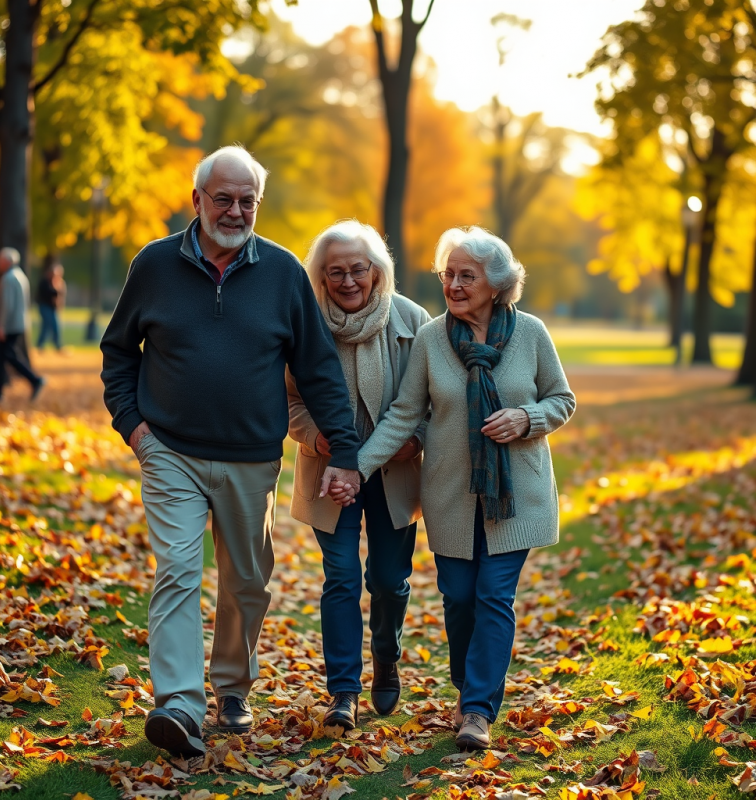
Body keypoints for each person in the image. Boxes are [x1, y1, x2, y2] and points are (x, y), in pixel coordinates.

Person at [100, 145, 362, 760]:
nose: (237, 211)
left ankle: (232, 688)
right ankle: (180, 707)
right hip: (170, 451)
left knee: (247, 582)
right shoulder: (155, 266)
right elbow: (119, 353)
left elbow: (319, 369)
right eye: (225, 199)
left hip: (251, 458)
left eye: (248, 201)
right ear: (197, 201)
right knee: (178, 572)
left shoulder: (283, 272)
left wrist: (345, 450)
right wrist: (136, 430)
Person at [330, 226, 575, 750]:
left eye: (468, 275)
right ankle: (468, 688)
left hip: (517, 495)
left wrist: (527, 418)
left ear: (497, 283)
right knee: (460, 597)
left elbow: (561, 399)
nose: (455, 285)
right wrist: (357, 467)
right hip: (451, 495)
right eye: (449, 274)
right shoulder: (431, 337)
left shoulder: (530, 334)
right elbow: (403, 414)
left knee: (493, 595)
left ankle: (479, 710)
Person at [287, 220, 431, 731]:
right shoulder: (306, 324)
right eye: (335, 273)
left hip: (394, 472)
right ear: (321, 279)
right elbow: (289, 401)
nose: (348, 281)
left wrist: (416, 441)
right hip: (332, 475)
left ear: (377, 272)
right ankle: (343, 690)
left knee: (389, 581)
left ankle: (387, 659)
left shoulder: (413, 320)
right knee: (342, 578)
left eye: (358, 270)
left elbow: (437, 401)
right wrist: (316, 438)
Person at [0, 248, 45, 402]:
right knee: (3, 357)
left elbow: (7, 305)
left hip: (9, 325)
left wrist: (1, 326)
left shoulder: (8, 278)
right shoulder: (21, 276)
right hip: (17, 323)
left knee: (8, 356)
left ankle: (34, 380)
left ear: (6, 261)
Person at [37, 262, 66, 351]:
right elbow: (50, 293)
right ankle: (42, 344)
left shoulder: (59, 282)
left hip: (53, 308)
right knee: (48, 325)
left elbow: (61, 295)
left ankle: (54, 344)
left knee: (52, 326)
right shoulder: (45, 282)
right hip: (45, 306)